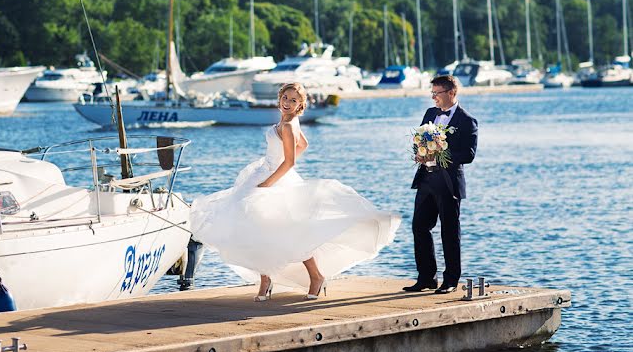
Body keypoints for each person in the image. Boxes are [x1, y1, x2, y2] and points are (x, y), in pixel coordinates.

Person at [190, 82, 400, 302]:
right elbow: (304, 145)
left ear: (300, 105)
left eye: (294, 100)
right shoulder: (286, 122)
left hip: (273, 179)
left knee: (293, 232)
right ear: (280, 98)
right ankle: (265, 279)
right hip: (262, 173)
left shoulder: (289, 126)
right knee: (256, 229)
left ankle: (316, 276)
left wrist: (268, 182)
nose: (288, 103)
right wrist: (270, 169)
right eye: (285, 98)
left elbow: (289, 163)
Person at [404, 74, 478, 295]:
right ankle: (426, 278)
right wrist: (420, 152)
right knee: (419, 227)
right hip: (426, 179)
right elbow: (419, 140)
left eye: (437, 93)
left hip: (448, 183)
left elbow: (469, 154)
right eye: (432, 93)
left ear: (451, 93)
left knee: (449, 231)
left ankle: (451, 280)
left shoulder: (467, 120)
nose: (433, 97)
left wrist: (441, 152)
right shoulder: (430, 114)